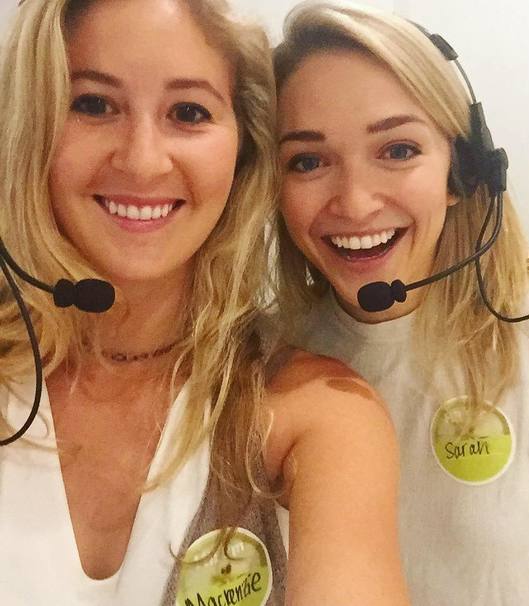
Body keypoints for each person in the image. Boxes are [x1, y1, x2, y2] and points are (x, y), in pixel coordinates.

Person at [0, 1, 410, 604]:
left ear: (244, 153)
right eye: (93, 104)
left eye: (188, 112)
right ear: (29, 126)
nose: (142, 160)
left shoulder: (319, 412)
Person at [272, 2, 529, 604]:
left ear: (463, 169)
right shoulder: (269, 360)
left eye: (397, 150)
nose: (355, 202)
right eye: (308, 161)